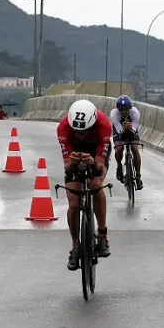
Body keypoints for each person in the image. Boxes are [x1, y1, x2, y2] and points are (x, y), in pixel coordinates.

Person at [56, 99, 112, 271]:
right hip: (75, 152)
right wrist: (73, 163)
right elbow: (67, 166)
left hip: (95, 150)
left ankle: (102, 234)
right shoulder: (63, 128)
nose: (80, 134)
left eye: (85, 131)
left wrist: (94, 163)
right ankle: (75, 246)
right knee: (73, 202)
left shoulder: (104, 125)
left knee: (96, 185)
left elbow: (100, 165)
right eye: (77, 131)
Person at [110, 95, 143, 190]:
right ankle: (119, 166)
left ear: (130, 109)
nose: (124, 112)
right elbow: (118, 128)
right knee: (119, 148)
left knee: (135, 149)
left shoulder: (135, 113)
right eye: (122, 110)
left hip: (132, 128)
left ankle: (138, 176)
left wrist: (130, 129)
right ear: (118, 110)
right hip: (119, 129)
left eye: (126, 110)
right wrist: (123, 131)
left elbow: (135, 126)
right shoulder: (114, 114)